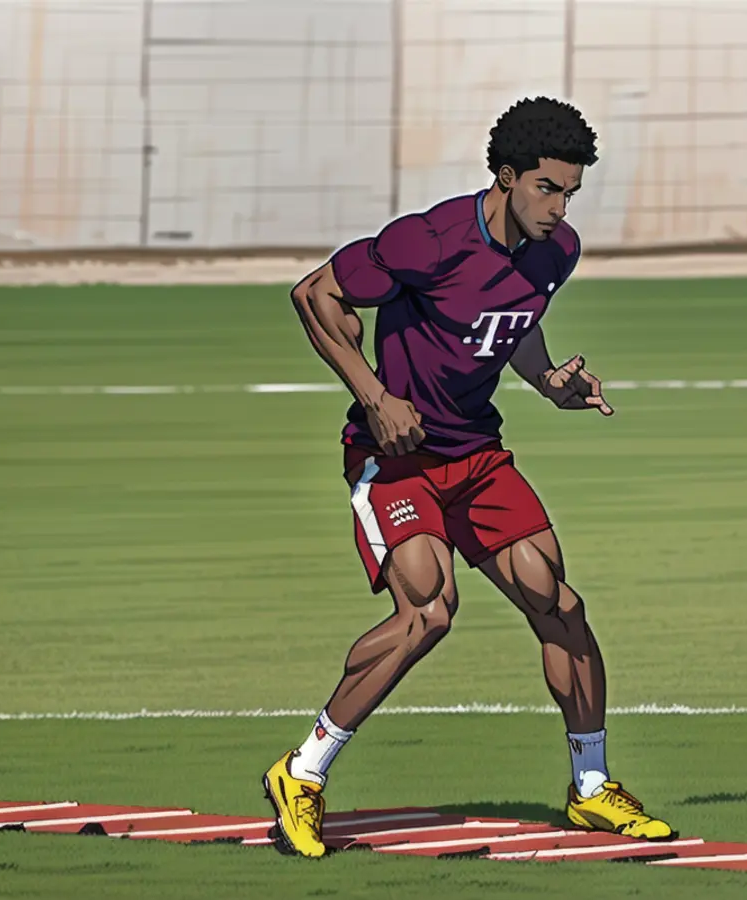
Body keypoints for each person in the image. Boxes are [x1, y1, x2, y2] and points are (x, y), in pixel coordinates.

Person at [263, 96, 674, 858]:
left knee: (559, 603)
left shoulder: (557, 252)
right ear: (507, 175)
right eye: (547, 188)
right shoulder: (431, 241)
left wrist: (549, 379)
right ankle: (303, 772)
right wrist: (376, 396)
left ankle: (591, 789)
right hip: (397, 459)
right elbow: (314, 293)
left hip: (477, 455)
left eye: (571, 193)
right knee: (429, 609)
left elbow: (515, 320)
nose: (559, 207)